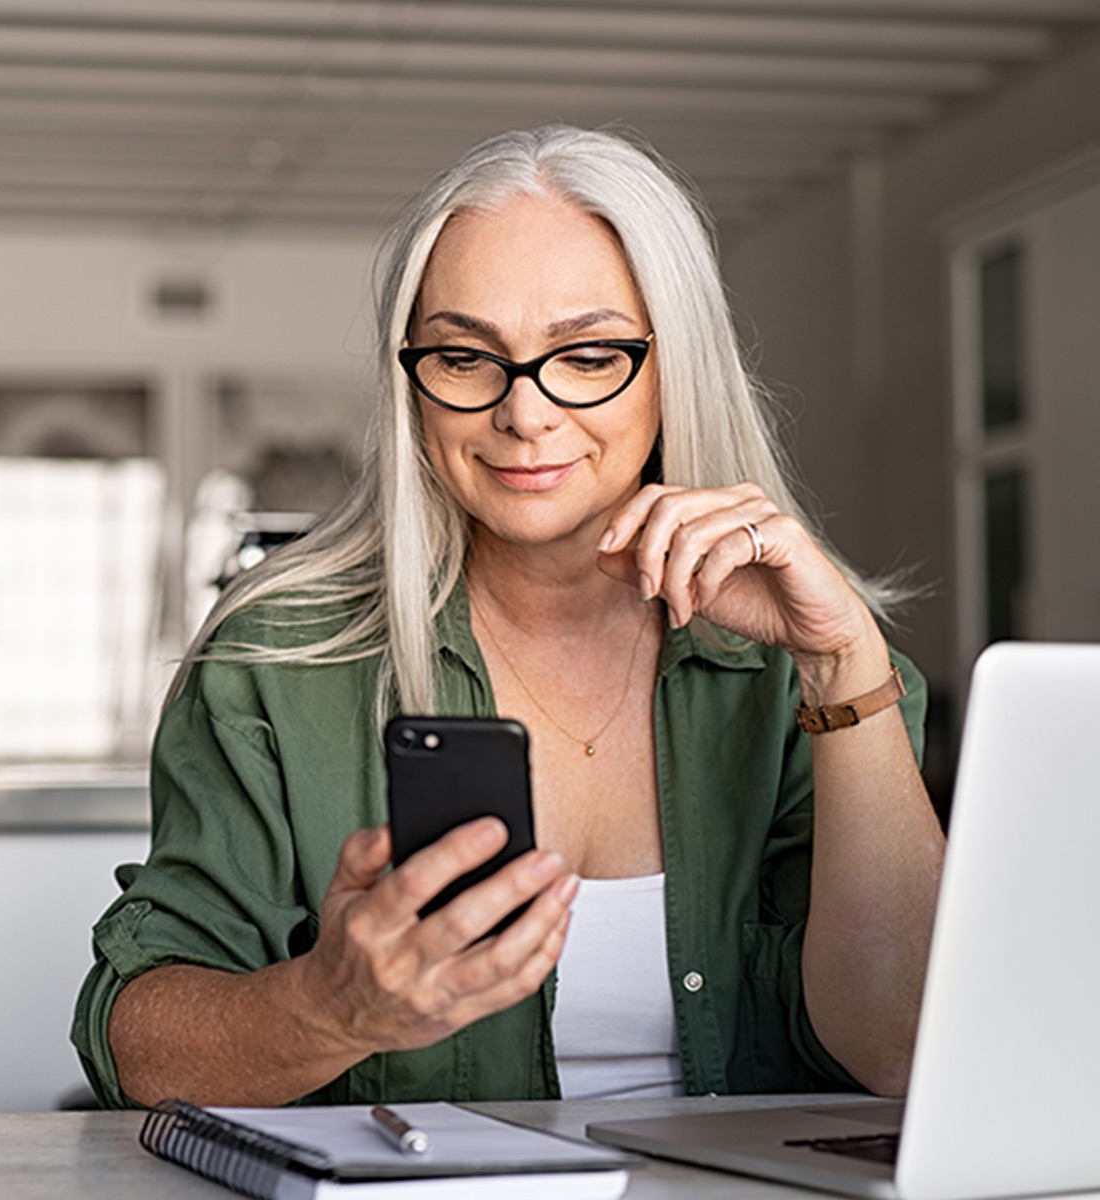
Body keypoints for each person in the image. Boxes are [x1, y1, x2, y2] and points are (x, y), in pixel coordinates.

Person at [72, 125, 945, 1110]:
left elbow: (905, 1050)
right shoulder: (276, 660)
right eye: (463, 357)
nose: (523, 414)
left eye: (586, 356)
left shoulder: (816, 670)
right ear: (413, 383)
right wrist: (331, 1008)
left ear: (675, 367)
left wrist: (843, 668)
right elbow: (134, 1041)